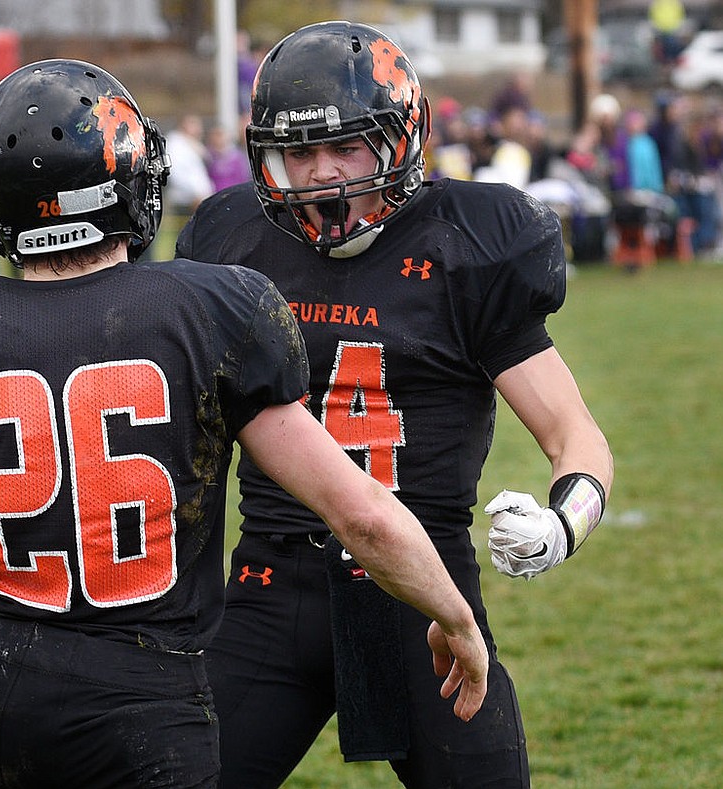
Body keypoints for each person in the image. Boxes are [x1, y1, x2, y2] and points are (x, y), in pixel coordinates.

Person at [0, 58, 489, 789]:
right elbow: (360, 515)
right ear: (127, 177)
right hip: (145, 710)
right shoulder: (208, 311)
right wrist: (455, 616)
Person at [176, 22, 614, 788]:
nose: (321, 175)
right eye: (299, 152)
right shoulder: (233, 240)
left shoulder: (468, 243)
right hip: (274, 589)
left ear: (400, 137)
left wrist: (561, 524)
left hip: (424, 594)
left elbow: (576, 436)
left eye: (345, 146)